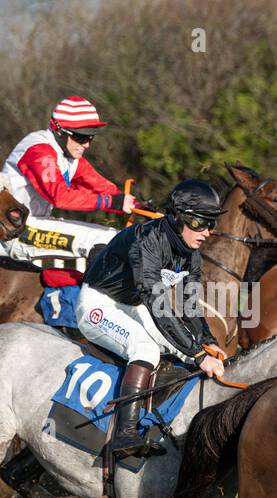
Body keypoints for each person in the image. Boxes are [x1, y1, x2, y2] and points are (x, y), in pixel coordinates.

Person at [76, 179, 225, 459]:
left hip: (131, 305)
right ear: (178, 216)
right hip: (98, 302)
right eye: (200, 223)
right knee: (145, 349)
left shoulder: (191, 255)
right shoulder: (147, 240)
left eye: (211, 225)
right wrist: (197, 355)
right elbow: (157, 303)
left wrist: (206, 342)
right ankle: (125, 433)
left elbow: (189, 307)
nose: (206, 232)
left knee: (177, 348)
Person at [0, 97, 140, 267]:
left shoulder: (68, 155)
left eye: (90, 137)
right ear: (59, 131)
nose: (87, 144)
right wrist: (114, 202)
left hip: (36, 224)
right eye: (81, 137)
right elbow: (60, 196)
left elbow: (99, 185)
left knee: (115, 235)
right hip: (16, 232)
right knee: (104, 239)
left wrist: (138, 207)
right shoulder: (40, 150)